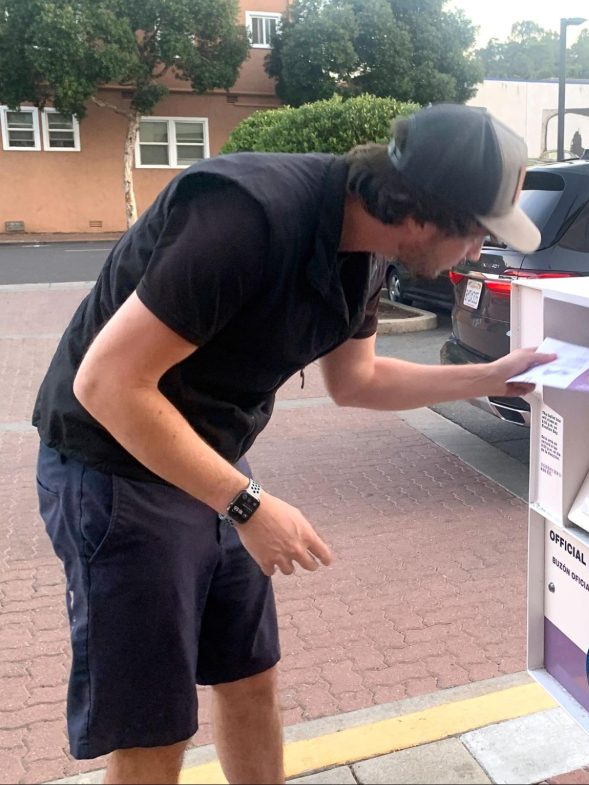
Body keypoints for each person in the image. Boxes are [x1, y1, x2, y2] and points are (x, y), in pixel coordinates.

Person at [32, 104, 555, 784]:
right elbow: (105, 383)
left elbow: (356, 379)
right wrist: (246, 504)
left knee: (250, 677)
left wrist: (486, 377)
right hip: (115, 470)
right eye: (476, 234)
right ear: (424, 214)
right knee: (155, 728)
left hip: (209, 465)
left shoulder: (363, 251)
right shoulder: (245, 218)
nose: (476, 253)